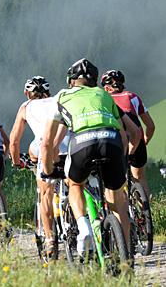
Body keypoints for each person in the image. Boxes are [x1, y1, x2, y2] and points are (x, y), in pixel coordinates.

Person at [41, 58, 130, 256]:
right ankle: (126, 256)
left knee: (75, 184)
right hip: (112, 140)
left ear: (70, 81)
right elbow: (124, 135)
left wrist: (47, 169)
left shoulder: (62, 96)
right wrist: (121, 161)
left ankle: (84, 228)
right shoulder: (103, 94)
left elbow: (47, 142)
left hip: (83, 142)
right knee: (118, 201)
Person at [9, 76, 68, 255]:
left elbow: (13, 141)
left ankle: (50, 239)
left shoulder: (25, 107)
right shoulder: (59, 98)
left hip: (46, 148)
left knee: (45, 194)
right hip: (70, 146)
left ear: (27, 93)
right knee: (75, 185)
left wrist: (15, 160)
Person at [101, 69, 156, 196]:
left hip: (115, 142)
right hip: (137, 140)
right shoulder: (133, 97)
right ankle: (146, 211)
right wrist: (144, 141)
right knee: (140, 178)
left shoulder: (103, 100)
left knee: (113, 183)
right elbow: (151, 126)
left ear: (106, 87)